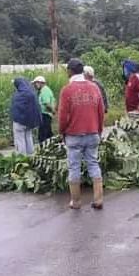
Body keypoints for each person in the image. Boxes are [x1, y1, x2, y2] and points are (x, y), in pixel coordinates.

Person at [59, 59, 105, 210]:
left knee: (74, 167)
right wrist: (99, 130)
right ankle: (98, 199)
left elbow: (63, 116)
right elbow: (101, 111)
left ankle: (76, 201)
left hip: (73, 135)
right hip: (92, 132)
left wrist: (62, 131)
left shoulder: (67, 90)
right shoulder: (94, 87)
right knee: (93, 163)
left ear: (70, 71)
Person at [11, 78, 41, 156]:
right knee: (28, 137)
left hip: (19, 122)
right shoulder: (32, 93)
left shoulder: (17, 95)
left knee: (20, 140)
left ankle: (22, 157)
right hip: (30, 122)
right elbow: (36, 108)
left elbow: (14, 109)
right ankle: (31, 155)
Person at [32, 76, 56, 143]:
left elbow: (47, 104)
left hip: (45, 115)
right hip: (44, 114)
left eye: (35, 83)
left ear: (40, 83)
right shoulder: (43, 90)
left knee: (43, 134)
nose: (34, 86)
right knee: (48, 133)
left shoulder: (44, 90)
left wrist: (53, 111)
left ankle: (43, 147)